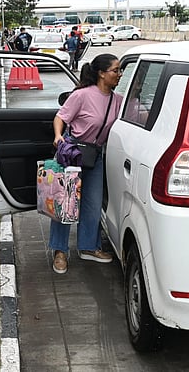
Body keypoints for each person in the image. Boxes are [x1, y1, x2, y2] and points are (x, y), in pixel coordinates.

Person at [50, 54, 124, 274]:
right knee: (66, 203)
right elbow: (60, 117)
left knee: (92, 204)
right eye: (115, 70)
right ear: (101, 73)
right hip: (73, 152)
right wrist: (58, 136)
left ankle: (88, 247)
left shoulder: (117, 100)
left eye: (120, 70)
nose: (119, 74)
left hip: (95, 155)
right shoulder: (82, 95)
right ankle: (60, 251)